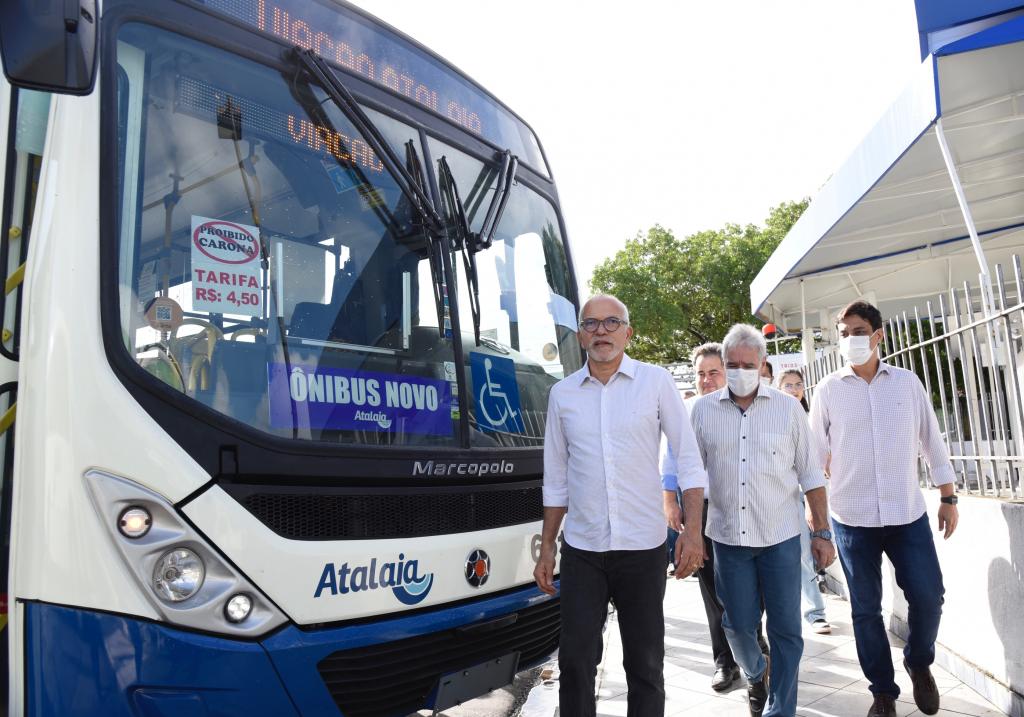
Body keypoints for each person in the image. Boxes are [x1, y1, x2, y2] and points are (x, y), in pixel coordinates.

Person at [535, 294, 708, 717]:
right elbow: (556, 478)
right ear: (580, 335)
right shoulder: (562, 395)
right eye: (591, 324)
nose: (602, 332)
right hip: (583, 550)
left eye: (612, 323)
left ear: (628, 332)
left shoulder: (656, 382)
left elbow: (688, 459)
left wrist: (692, 532)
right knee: (575, 661)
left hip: (642, 548)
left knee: (645, 664)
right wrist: (547, 546)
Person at [809, 301, 959, 717]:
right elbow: (812, 456)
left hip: (907, 514)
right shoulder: (828, 390)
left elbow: (932, 439)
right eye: (842, 332)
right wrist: (816, 518)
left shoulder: (907, 383)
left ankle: (919, 661)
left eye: (858, 331)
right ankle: (883, 692)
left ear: (878, 335)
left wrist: (948, 496)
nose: (849, 339)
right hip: (851, 518)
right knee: (865, 609)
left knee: (929, 598)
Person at [690, 324, 835, 717]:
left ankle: (780, 709)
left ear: (763, 364)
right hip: (728, 540)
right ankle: (757, 671)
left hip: (781, 538)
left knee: (786, 631)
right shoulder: (702, 411)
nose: (739, 371)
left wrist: (821, 531)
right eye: (731, 364)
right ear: (722, 364)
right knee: (736, 626)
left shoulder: (788, 409)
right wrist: (689, 530)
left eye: (747, 365)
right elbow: (689, 476)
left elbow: (810, 474)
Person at [663, 342, 767, 692]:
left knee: (753, 586)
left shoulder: (746, 408)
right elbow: (670, 461)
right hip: (703, 510)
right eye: (701, 374)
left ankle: (754, 642)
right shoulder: (687, 409)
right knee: (712, 589)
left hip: (747, 508)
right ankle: (725, 660)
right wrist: (671, 502)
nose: (707, 380)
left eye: (714, 373)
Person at [777, 369, 831, 635]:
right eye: (788, 385)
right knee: (794, 555)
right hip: (784, 495)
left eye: (798, 384)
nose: (794, 389)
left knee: (809, 552)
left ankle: (815, 610)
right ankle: (806, 611)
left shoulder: (812, 418)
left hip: (812, 493)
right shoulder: (776, 418)